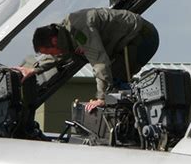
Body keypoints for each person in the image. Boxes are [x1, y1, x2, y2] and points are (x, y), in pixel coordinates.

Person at [14, 7, 159, 113]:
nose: (51, 55)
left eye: (48, 51)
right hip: (127, 41)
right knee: (114, 88)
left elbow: (99, 62)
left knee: (115, 86)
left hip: (142, 37)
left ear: (53, 40)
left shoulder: (80, 29)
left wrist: (101, 98)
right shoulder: (65, 34)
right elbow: (58, 55)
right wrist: (35, 68)